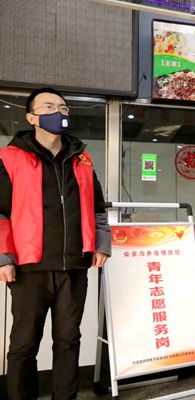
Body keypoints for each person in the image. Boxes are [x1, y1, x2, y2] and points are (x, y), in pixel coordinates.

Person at [0, 87, 111, 399]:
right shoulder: (9, 159)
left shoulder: (82, 159)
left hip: (74, 266)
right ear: (31, 118)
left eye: (63, 108)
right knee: (24, 344)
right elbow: (1, 213)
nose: (58, 112)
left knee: (68, 341)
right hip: (29, 267)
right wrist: (4, 256)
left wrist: (101, 244)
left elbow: (97, 208)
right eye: (48, 107)